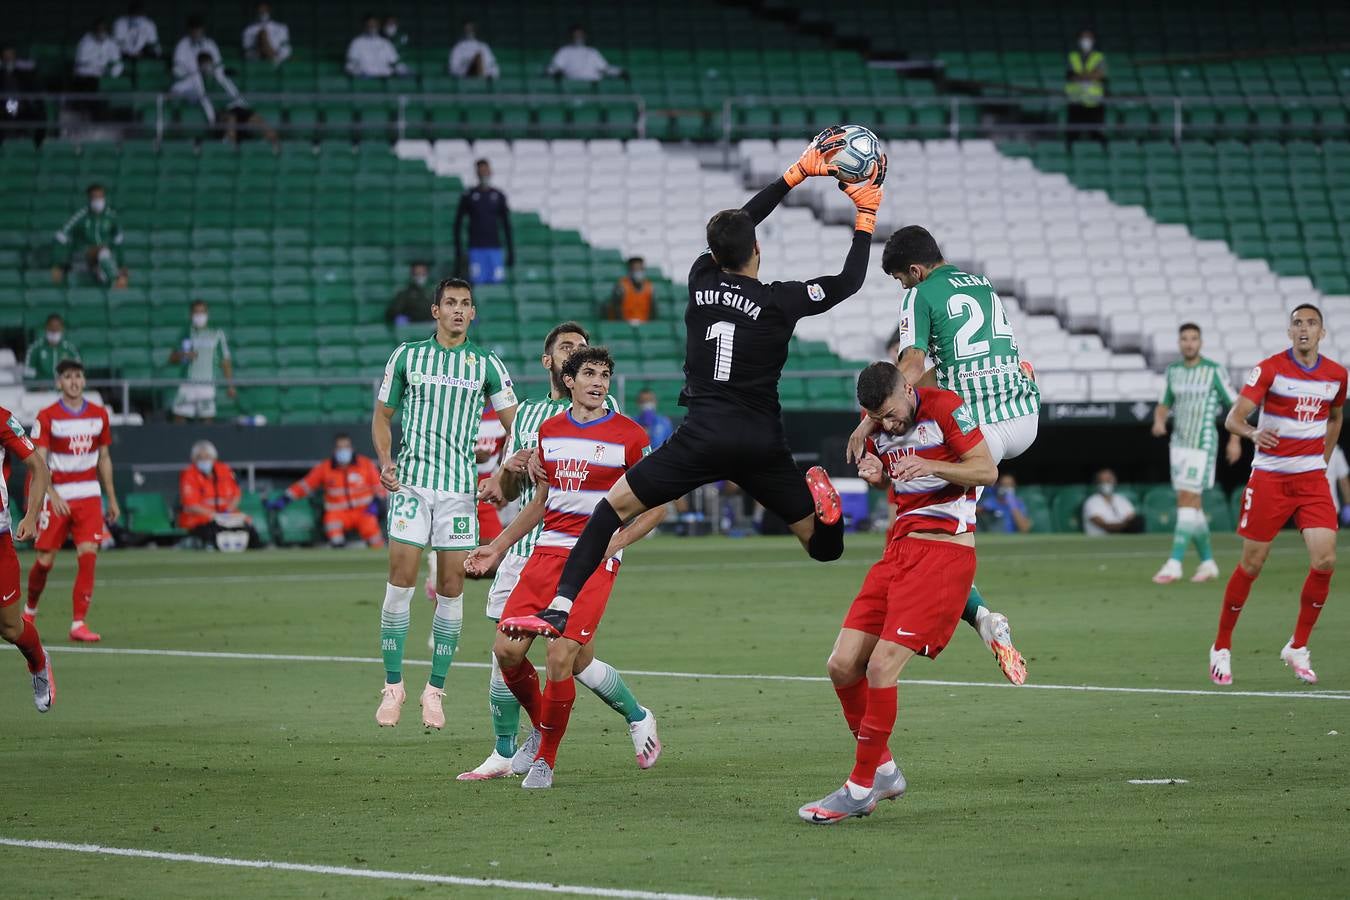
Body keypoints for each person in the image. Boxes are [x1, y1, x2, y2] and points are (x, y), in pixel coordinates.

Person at [520, 129, 883, 643]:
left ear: (713, 254)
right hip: (760, 440)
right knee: (824, 549)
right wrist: (865, 211)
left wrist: (793, 174)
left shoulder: (701, 281)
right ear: (757, 248)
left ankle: (559, 604)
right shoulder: (783, 300)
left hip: (703, 435)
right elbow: (849, 281)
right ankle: (825, 509)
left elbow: (736, 227)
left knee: (610, 510)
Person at [798, 361, 996, 824]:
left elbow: (985, 470)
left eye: (890, 413)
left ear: (909, 389)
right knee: (842, 665)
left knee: (883, 665)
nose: (887, 424)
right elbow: (898, 477)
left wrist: (927, 461)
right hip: (898, 554)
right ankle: (883, 771)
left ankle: (859, 786)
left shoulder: (946, 408)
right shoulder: (876, 430)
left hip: (944, 555)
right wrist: (878, 475)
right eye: (876, 417)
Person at [848, 224, 1036, 685]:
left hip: (977, 421)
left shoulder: (921, 295)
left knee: (919, 531)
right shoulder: (979, 283)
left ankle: (982, 619)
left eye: (900, 279)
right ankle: (982, 618)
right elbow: (960, 359)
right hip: (1023, 413)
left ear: (914, 270)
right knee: (916, 522)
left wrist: (871, 415)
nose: (902, 287)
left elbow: (910, 367)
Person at [481, 347, 667, 789]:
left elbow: (659, 505)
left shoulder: (630, 435)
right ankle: (549, 726)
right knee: (506, 650)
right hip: (546, 553)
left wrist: (614, 543)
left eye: (604, 374)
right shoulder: (550, 431)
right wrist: (497, 546)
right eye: (589, 373)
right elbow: (541, 505)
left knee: (560, 656)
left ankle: (545, 759)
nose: (598, 382)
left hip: (593, 561)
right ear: (570, 381)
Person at [455, 321, 629, 780]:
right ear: (550, 362)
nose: (579, 355)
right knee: (506, 652)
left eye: (585, 351)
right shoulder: (528, 414)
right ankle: (506, 748)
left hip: (573, 550)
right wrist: (513, 467)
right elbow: (502, 489)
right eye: (568, 349)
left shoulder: (603, 408)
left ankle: (550, 741)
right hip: (523, 550)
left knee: (566, 656)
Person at [371, 278, 518, 730]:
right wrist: (385, 461)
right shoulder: (407, 356)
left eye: (466, 304)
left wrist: (499, 472)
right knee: (402, 577)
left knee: (453, 587)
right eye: (450, 303)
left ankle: (434, 690)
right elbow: (382, 415)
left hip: (458, 492)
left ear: (473, 313)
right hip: (412, 486)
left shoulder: (487, 364)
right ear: (435, 310)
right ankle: (393, 686)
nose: (458, 310)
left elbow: (518, 423)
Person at [1210, 303, 1346, 687]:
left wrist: (1323, 459)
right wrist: (1253, 434)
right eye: (1297, 323)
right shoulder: (1270, 369)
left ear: (1322, 332)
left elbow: (1335, 417)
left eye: (1311, 323)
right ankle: (1221, 645)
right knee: (1252, 564)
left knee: (1325, 560)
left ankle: (1298, 646)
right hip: (1269, 478)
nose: (1304, 329)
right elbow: (1233, 418)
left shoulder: (1336, 375)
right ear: (1289, 332)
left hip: (1311, 480)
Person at [22, 359, 119, 643]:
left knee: (88, 556)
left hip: (89, 495)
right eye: (68, 376)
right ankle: (30, 610)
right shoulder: (47, 415)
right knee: (44, 560)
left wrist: (111, 498)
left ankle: (78, 623)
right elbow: (37, 461)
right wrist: (51, 494)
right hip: (59, 495)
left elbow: (104, 458)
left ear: (84, 381)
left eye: (78, 376)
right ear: (59, 383)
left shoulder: (99, 414)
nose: (74, 381)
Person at [1150, 323, 1242, 584]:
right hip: (1179, 444)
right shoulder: (1173, 372)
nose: (1189, 343)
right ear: (1179, 343)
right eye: (1184, 339)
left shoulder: (1213, 371)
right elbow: (1164, 403)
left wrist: (1234, 440)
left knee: (1187, 498)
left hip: (1202, 444)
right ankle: (1208, 563)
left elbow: (1235, 406)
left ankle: (1175, 563)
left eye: (1193, 339)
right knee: (1192, 503)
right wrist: (1159, 420)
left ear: (1200, 342)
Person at [0, 404, 56, 713]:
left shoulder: (1, 418)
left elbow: (39, 468)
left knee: (9, 628)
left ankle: (38, 662)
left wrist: (32, 516)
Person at [268, 434, 385, 548]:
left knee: (374, 535)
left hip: (364, 511)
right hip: (338, 513)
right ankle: (339, 553)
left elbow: (380, 488)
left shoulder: (365, 464)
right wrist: (285, 498)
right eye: (340, 448)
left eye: (346, 447)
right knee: (333, 527)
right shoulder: (325, 468)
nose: (343, 451)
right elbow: (304, 485)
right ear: (334, 450)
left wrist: (376, 504)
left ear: (352, 448)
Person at [174, 52, 279, 148]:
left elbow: (235, 95)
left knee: (258, 120)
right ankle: (231, 151)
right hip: (222, 112)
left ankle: (274, 148)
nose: (207, 67)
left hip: (238, 107)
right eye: (204, 64)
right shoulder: (194, 79)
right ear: (199, 65)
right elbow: (176, 88)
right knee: (231, 119)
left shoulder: (222, 76)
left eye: (208, 63)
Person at [178, 440, 259, 547]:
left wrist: (226, 512)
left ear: (214, 458)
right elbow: (192, 505)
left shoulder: (225, 470)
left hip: (227, 515)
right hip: (201, 519)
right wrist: (215, 515)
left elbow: (236, 495)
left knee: (248, 528)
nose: (204, 460)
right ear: (193, 459)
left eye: (207, 456)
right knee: (213, 532)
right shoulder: (189, 474)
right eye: (200, 457)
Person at [168, 299, 235, 423]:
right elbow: (172, 358)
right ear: (191, 315)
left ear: (207, 314)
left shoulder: (217, 333)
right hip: (187, 383)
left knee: (207, 421)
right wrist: (183, 355)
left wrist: (230, 385)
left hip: (207, 384)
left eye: (202, 312)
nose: (199, 316)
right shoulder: (186, 333)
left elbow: (225, 361)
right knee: (178, 419)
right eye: (196, 312)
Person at [51, 184, 127, 289]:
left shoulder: (111, 216)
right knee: (103, 251)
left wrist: (122, 264)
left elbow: (119, 240)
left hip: (102, 260)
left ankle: (114, 286)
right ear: (89, 199)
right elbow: (60, 237)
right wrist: (57, 264)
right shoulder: (80, 216)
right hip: (81, 256)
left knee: (104, 266)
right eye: (94, 197)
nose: (98, 200)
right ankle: (117, 278)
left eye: (100, 197)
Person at [454, 159, 513, 285]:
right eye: (481, 171)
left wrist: (511, 250)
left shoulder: (498, 195)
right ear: (477, 173)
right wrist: (459, 251)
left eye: (486, 170)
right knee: (477, 283)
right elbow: (458, 224)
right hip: (476, 248)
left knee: (497, 284)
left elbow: (506, 225)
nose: (484, 174)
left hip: (494, 248)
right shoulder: (468, 195)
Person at [1065, 29, 1107, 144]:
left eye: (1088, 38)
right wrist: (1090, 75)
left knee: (1096, 133)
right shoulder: (1072, 56)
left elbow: (1100, 74)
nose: (1086, 41)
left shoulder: (1099, 56)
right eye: (1083, 38)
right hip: (1076, 100)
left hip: (1094, 101)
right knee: (1073, 133)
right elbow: (1070, 75)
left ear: (1093, 40)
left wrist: (1081, 76)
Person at [1, 45, 45, 145]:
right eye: (6, 56)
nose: (8, 59)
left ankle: (38, 145)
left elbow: (31, 90)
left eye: (10, 56)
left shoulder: (22, 74)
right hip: (3, 108)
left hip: (22, 108)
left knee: (40, 117)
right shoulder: (1, 74)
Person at [546, 25, 622, 82]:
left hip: (593, 84)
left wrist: (619, 72)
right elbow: (555, 67)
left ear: (585, 36)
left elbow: (604, 68)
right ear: (571, 36)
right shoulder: (564, 51)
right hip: (574, 84)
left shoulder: (592, 51)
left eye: (580, 35)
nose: (578, 37)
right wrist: (549, 72)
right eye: (576, 35)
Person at [23, 315, 80, 385]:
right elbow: (28, 375)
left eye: (57, 327)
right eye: (51, 326)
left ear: (62, 328)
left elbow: (78, 374)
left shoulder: (70, 349)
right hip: (41, 392)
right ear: (46, 327)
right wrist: (36, 388)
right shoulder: (35, 348)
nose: (54, 330)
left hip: (65, 391)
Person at [1082, 469, 1141, 535]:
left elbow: (1132, 518)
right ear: (1097, 483)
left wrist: (1130, 524)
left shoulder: (1122, 500)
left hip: (1123, 538)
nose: (1106, 483)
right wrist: (1126, 526)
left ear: (1115, 481)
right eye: (1102, 480)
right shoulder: (1091, 502)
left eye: (1109, 480)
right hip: (1101, 540)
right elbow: (1103, 525)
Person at [346, 14, 404, 78]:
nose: (372, 27)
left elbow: (395, 62)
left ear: (378, 26)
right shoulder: (356, 42)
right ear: (364, 26)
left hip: (385, 79)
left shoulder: (385, 43)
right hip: (364, 79)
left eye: (374, 25)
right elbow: (350, 65)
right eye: (369, 25)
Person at [603, 256, 655, 324]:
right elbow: (616, 309)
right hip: (625, 325)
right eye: (635, 268)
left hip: (644, 325)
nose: (638, 272)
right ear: (630, 270)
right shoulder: (622, 286)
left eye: (640, 268)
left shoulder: (649, 287)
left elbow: (653, 311)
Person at [72, 19, 124, 85]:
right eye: (98, 29)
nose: (100, 32)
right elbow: (81, 61)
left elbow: (117, 60)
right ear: (94, 30)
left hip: (103, 72)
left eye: (103, 29)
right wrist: (100, 66)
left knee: (117, 69)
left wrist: (112, 72)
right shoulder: (84, 42)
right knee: (84, 73)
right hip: (86, 73)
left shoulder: (111, 43)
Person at [172, 16, 221, 81]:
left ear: (202, 29)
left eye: (198, 28)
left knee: (222, 78)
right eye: (194, 29)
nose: (196, 31)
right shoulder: (182, 45)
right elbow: (178, 66)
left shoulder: (210, 44)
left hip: (210, 77)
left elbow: (218, 63)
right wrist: (196, 70)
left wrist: (209, 69)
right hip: (189, 78)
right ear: (189, 30)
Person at [1327, 444, 1350, 523]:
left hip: (1304, 503)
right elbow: (1344, 482)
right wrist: (1348, 504)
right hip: (1330, 506)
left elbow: (1344, 481)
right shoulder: (1336, 449)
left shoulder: (1336, 450)